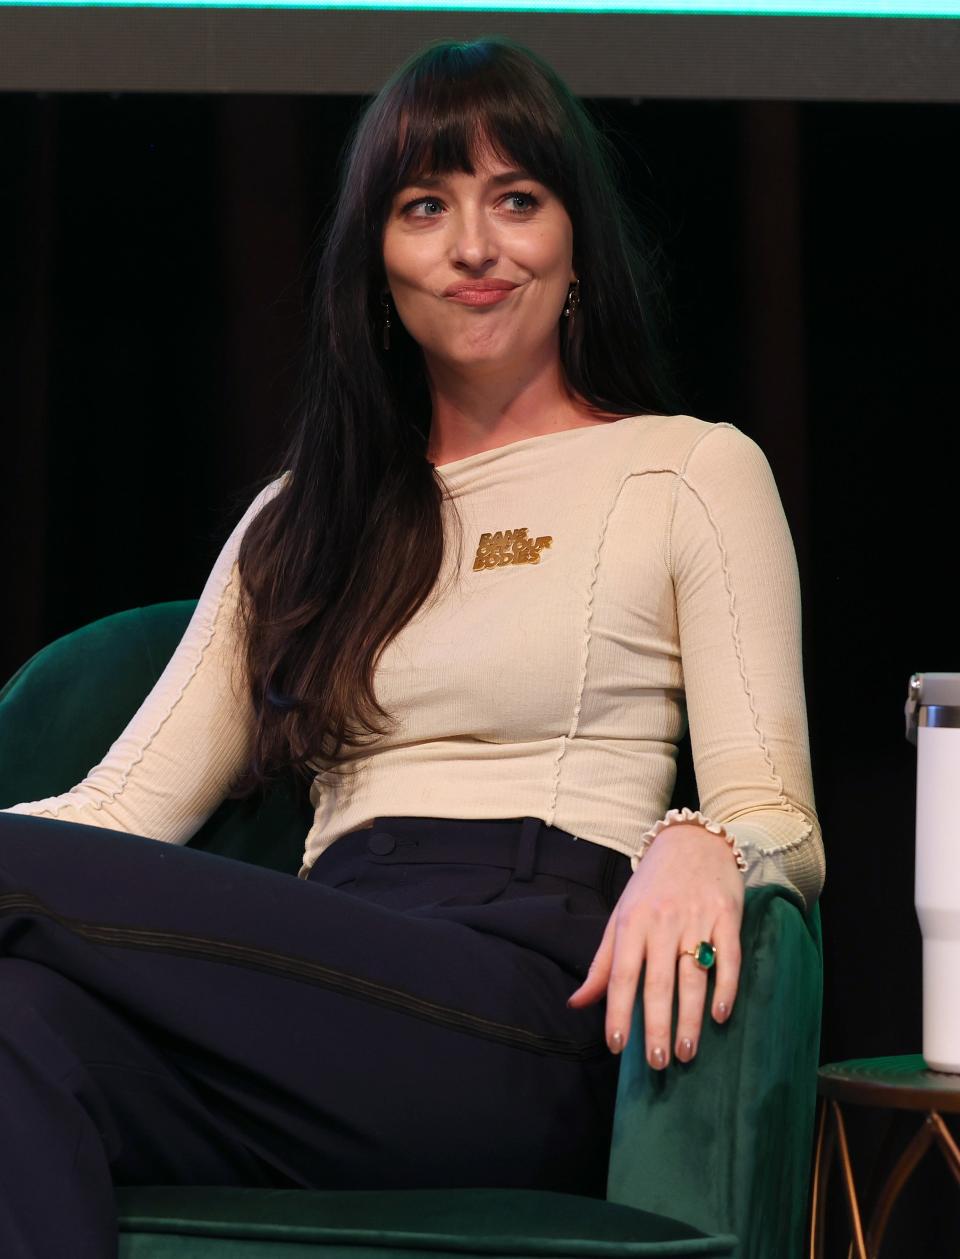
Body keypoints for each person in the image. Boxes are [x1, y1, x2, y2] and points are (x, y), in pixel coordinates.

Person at [0, 34, 824, 1259]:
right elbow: (121, 809)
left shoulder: (687, 469)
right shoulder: (301, 519)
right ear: (377, 264)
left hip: (521, 998)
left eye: (517, 201)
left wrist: (705, 839)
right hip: (321, 998)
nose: (474, 248)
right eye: (426, 206)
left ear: (575, 240)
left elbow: (781, 816)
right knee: (13, 1022)